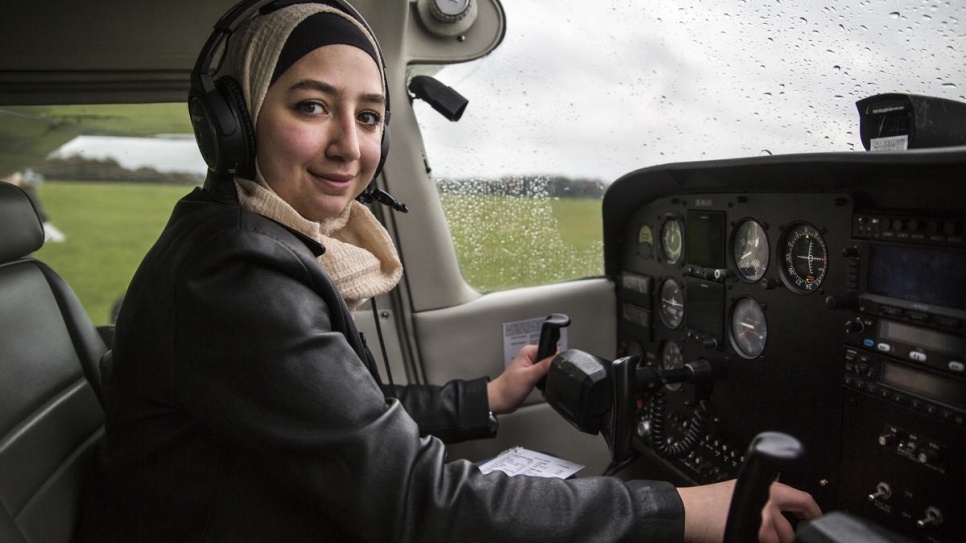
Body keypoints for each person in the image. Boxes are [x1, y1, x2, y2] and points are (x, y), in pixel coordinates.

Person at [77, 2, 821, 542]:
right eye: (312, 106)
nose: (350, 146)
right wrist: (682, 509)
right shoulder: (235, 276)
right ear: (232, 126)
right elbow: (420, 506)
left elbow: (348, 407)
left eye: (369, 117)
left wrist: (487, 395)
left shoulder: (235, 240)